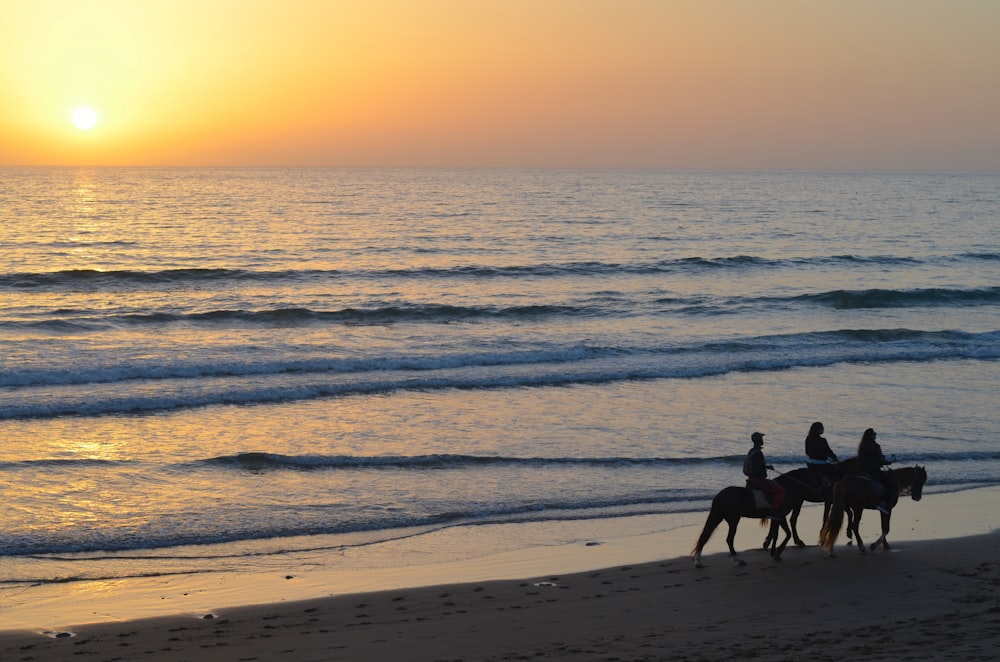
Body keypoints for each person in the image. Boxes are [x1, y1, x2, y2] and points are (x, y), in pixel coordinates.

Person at [743, 431, 787, 520]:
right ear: (758, 440)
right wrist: (764, 476)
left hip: (751, 478)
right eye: (761, 438)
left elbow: (755, 465)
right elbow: (759, 471)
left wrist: (766, 466)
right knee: (780, 491)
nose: (763, 440)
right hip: (757, 480)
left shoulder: (752, 451)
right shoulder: (758, 453)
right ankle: (772, 511)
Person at [857, 428, 896, 514]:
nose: (875, 435)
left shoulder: (862, 445)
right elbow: (879, 460)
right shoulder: (875, 446)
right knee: (891, 484)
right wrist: (890, 461)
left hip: (863, 470)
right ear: (872, 436)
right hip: (873, 470)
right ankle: (882, 503)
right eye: (874, 434)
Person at [804, 421, 842, 491]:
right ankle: (834, 490)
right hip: (821, 464)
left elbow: (807, 452)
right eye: (822, 428)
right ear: (818, 429)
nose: (823, 429)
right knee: (839, 473)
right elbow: (829, 452)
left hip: (810, 463)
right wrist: (835, 459)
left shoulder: (808, 438)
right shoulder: (822, 440)